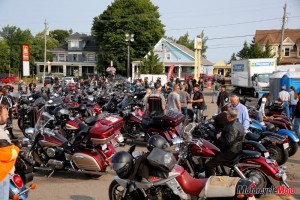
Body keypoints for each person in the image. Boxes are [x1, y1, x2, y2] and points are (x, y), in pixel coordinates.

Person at [205, 108, 245, 177]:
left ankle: (209, 183)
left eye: (227, 114)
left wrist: (219, 137)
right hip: (236, 148)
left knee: (209, 165)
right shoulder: (237, 123)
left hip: (230, 151)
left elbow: (228, 142)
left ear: (229, 115)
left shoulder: (232, 126)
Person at [0, 105, 20, 200]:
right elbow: (8, 155)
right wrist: (16, 149)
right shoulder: (0, 134)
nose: (8, 116)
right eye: (6, 114)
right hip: (2, 173)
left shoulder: (2, 129)